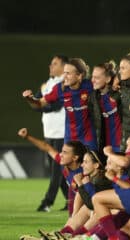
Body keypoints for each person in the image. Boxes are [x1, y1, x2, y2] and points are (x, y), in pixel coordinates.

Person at [22, 58, 97, 150]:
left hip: (88, 140)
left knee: (90, 163)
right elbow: (39, 104)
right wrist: (30, 99)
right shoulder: (59, 89)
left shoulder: (90, 86)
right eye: (64, 73)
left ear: (79, 76)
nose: (64, 76)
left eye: (68, 73)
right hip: (70, 141)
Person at [17, 128, 85, 216]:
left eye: (65, 152)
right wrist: (27, 137)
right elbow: (47, 147)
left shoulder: (84, 173)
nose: (60, 154)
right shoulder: (64, 164)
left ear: (75, 158)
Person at [33, 55, 69, 212]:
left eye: (54, 64)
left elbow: (55, 106)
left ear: (63, 66)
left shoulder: (64, 84)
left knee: (57, 169)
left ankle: (47, 202)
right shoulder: (48, 83)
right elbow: (34, 102)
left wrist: (40, 103)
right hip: (49, 132)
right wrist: (36, 100)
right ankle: (70, 200)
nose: (50, 66)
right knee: (57, 169)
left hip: (61, 133)